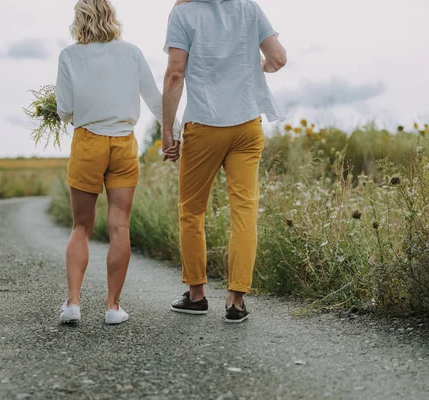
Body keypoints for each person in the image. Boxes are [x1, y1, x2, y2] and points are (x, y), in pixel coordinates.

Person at [56, 0, 182, 325]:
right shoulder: (131, 53)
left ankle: (73, 303)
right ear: (111, 17)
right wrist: (174, 131)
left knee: (81, 226)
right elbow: (155, 99)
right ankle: (113, 307)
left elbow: (64, 109)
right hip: (124, 144)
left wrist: (75, 110)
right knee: (119, 226)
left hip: (88, 143)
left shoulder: (69, 56)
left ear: (80, 19)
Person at [162, 0, 287, 323]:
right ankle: (235, 301)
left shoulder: (184, 13)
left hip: (204, 124)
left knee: (192, 211)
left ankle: (196, 295)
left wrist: (167, 130)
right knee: (244, 211)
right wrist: (251, 66)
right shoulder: (249, 8)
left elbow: (175, 74)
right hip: (246, 124)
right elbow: (278, 58)